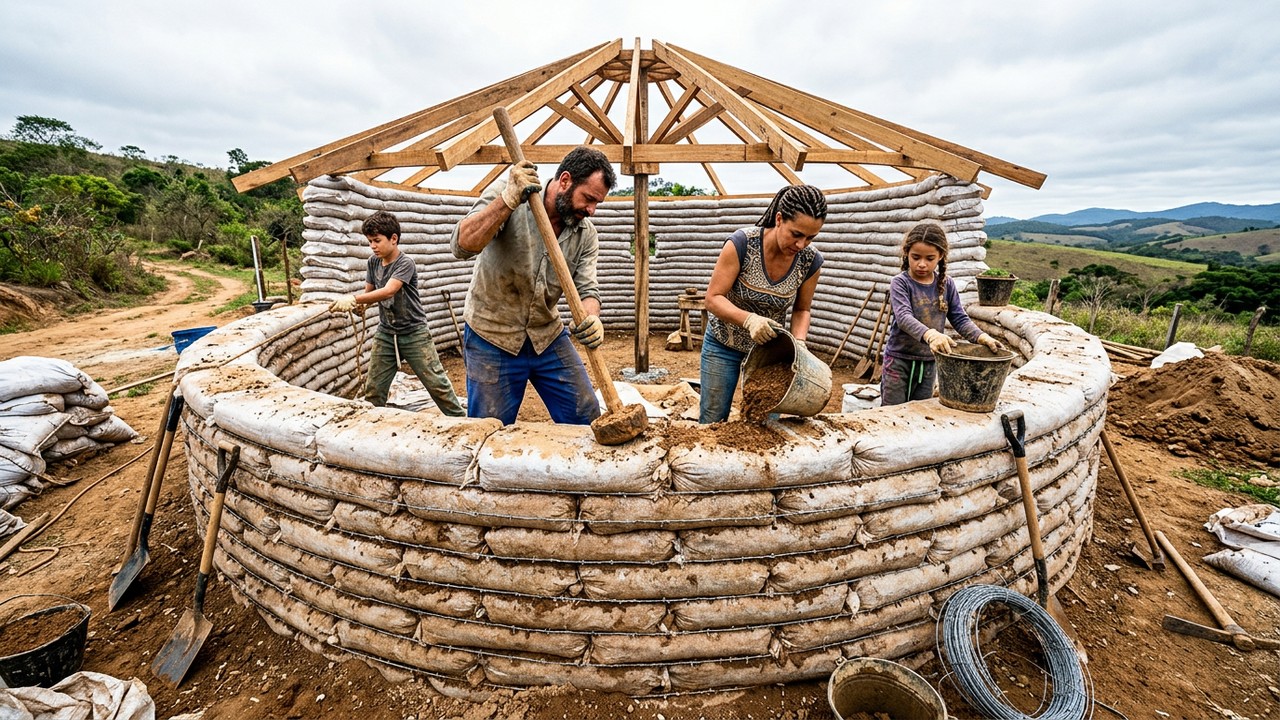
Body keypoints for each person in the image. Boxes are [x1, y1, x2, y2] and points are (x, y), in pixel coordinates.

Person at [448, 146, 617, 425]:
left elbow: (587, 289)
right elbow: (462, 245)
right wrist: (507, 201)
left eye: (597, 203)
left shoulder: (585, 234)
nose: (592, 210)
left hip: (546, 336)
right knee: (488, 430)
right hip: (492, 336)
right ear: (565, 181)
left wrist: (592, 318)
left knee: (585, 414)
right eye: (588, 199)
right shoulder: (509, 192)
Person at [699, 185, 828, 424]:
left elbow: (802, 309)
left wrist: (799, 343)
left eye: (811, 238)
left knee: (764, 424)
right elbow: (713, 299)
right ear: (779, 219)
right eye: (796, 234)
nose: (801, 244)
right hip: (723, 343)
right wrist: (749, 320)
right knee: (713, 418)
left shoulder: (810, 261)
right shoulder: (742, 245)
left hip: (771, 353)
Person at [329, 211, 465, 416]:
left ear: (394, 239)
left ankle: (459, 418)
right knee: (374, 386)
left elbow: (389, 290)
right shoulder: (373, 263)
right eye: (369, 242)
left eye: (377, 240)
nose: (373, 246)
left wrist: (354, 299)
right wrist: (359, 308)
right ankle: (374, 423)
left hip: (414, 333)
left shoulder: (405, 263)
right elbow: (371, 293)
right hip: (386, 333)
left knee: (436, 383)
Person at [880, 222, 1005, 406]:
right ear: (906, 253)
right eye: (916, 257)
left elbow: (959, 318)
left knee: (921, 412)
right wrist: (931, 335)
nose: (922, 264)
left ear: (940, 256)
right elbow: (904, 317)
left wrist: (981, 337)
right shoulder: (901, 283)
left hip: (930, 362)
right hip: (899, 361)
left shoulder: (946, 284)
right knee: (891, 412)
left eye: (929, 258)